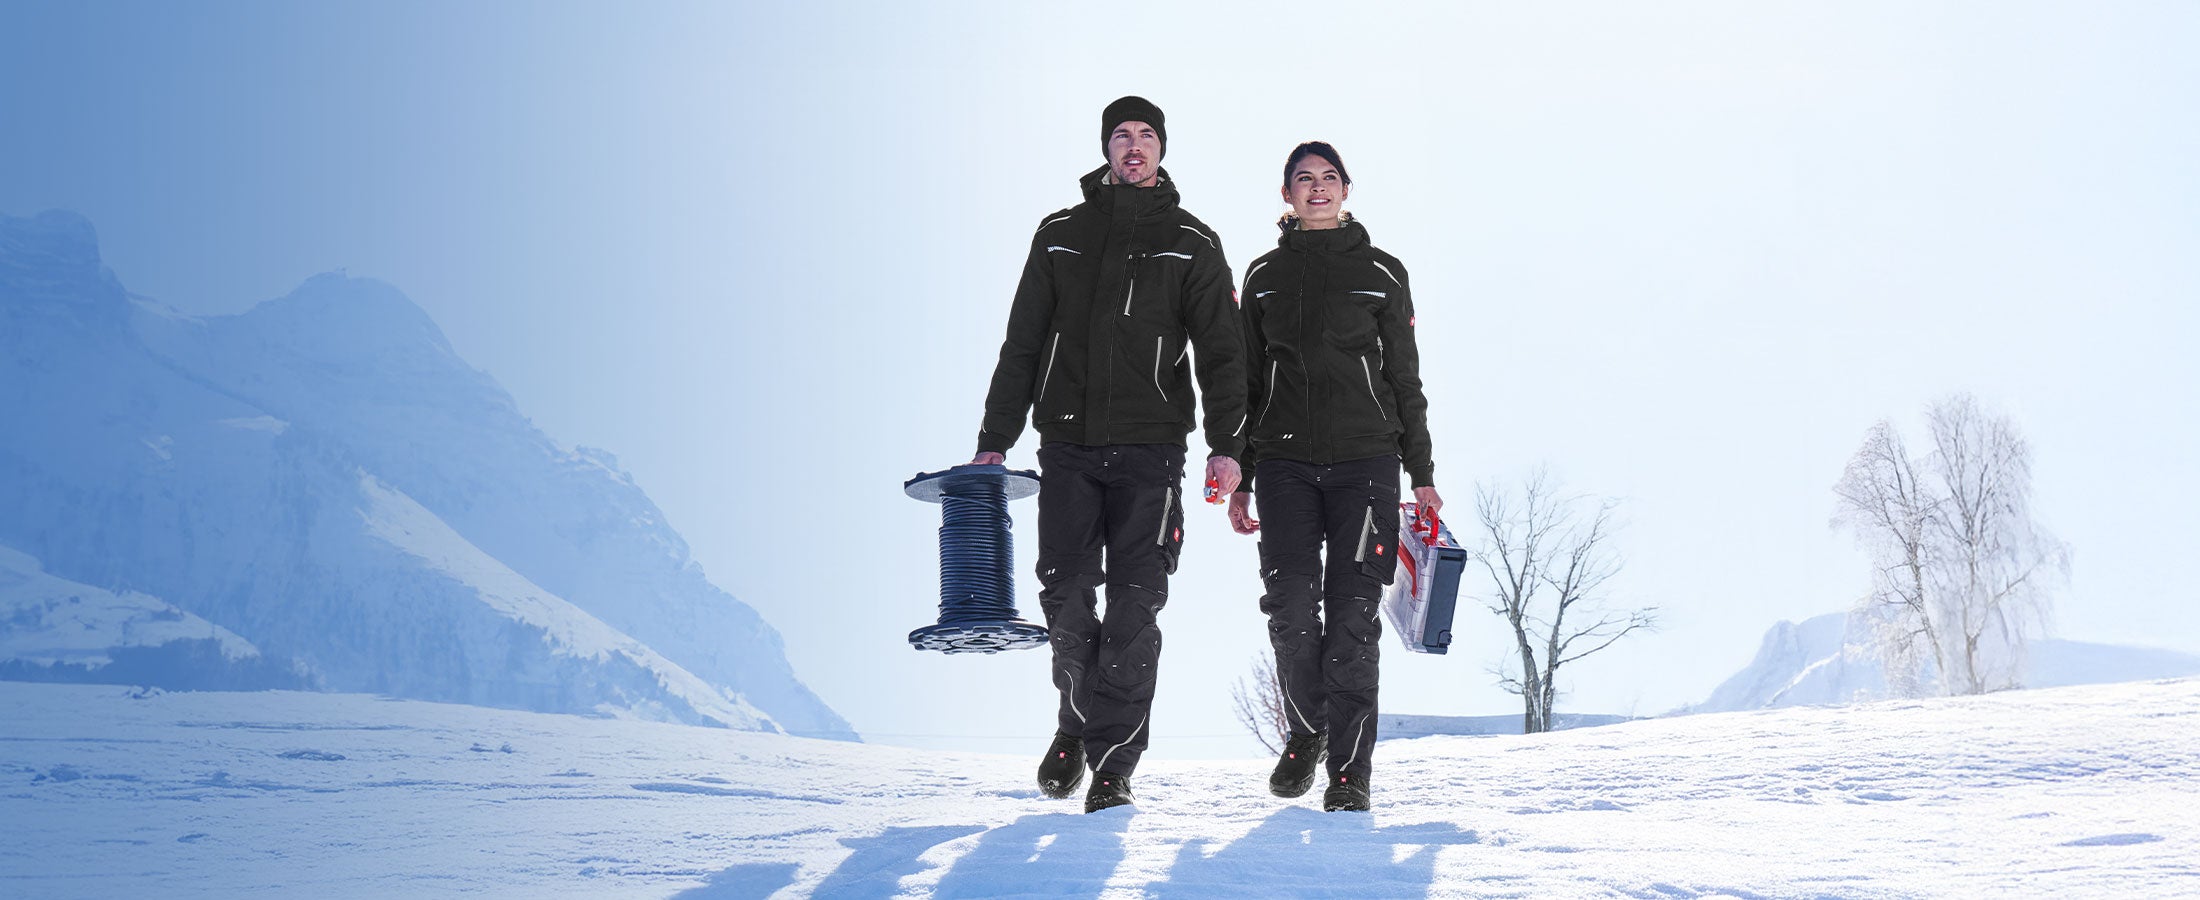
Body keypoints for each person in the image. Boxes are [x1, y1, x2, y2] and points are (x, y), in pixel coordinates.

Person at [970, 96, 1248, 813]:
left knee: (1134, 605)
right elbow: (1023, 343)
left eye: (1146, 135)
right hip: (1066, 441)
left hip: (1153, 449)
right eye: (1121, 135)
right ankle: (1077, 720)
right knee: (1064, 595)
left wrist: (1228, 447)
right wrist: (994, 441)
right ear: (1104, 148)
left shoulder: (1193, 241)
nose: (1134, 146)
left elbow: (1223, 354)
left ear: (1161, 149)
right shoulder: (1061, 234)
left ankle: (1113, 765)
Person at [1228, 141, 1441, 813]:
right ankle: (1307, 729)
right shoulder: (1263, 276)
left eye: (1327, 178)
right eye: (1303, 179)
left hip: (1367, 466)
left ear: (1346, 189)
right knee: (1291, 609)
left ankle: (1350, 774)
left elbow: (1405, 379)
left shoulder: (1382, 272)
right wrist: (1241, 474)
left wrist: (1423, 472)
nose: (1316, 187)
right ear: (1286, 195)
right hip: (1286, 467)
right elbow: (1246, 385)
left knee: (1352, 619)